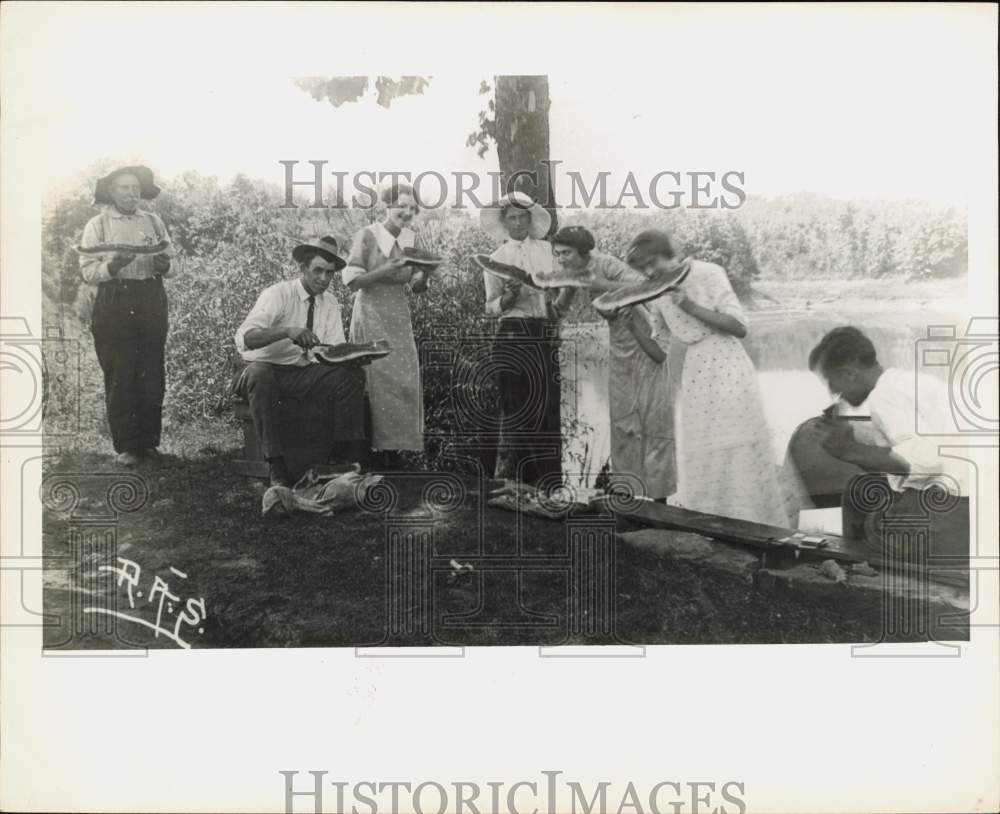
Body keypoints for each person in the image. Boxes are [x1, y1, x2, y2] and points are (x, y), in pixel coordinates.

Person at [625, 229, 789, 527]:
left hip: (729, 367)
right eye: (643, 269)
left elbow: (738, 326)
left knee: (736, 449)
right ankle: (716, 528)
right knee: (706, 454)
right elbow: (660, 352)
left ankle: (753, 527)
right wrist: (633, 328)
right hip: (696, 373)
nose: (649, 272)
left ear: (668, 253)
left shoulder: (709, 272)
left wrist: (690, 306)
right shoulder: (657, 293)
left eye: (653, 263)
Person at [551, 225, 676, 501]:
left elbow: (648, 287)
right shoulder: (572, 273)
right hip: (619, 344)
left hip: (643, 335)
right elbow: (559, 307)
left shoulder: (606, 264)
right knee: (621, 422)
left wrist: (603, 287)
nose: (561, 259)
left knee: (653, 421)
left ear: (583, 253)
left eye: (566, 253)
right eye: (557, 254)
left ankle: (661, 499)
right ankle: (626, 494)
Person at [234, 236, 367, 487]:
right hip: (265, 371)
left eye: (329, 273)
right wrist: (288, 331)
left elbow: (331, 350)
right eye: (318, 270)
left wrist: (353, 357)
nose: (324, 279)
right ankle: (276, 467)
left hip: (303, 373)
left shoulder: (330, 303)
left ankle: (341, 460)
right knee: (259, 374)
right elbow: (246, 338)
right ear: (303, 269)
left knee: (351, 377)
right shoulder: (278, 294)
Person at [79, 165, 175, 467]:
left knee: (151, 371)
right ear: (111, 191)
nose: (131, 193)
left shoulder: (154, 222)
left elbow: (174, 265)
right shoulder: (98, 225)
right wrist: (113, 266)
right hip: (115, 301)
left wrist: (164, 266)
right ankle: (127, 446)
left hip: (151, 299)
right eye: (124, 188)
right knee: (121, 372)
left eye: (135, 187)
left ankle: (149, 443)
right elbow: (88, 272)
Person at [807, 326, 968, 497]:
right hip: (967, 486)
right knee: (859, 490)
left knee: (869, 507)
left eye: (831, 382)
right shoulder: (901, 381)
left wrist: (848, 449)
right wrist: (854, 444)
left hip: (955, 497)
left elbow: (928, 462)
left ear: (849, 374)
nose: (832, 392)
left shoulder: (883, 395)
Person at [479, 192, 572, 486]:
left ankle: (548, 483)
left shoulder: (548, 251)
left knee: (546, 407)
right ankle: (512, 484)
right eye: (512, 218)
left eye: (523, 217)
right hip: (510, 335)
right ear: (504, 222)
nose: (518, 223)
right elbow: (490, 307)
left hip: (542, 332)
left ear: (531, 219)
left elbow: (565, 288)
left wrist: (557, 319)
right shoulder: (496, 259)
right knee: (515, 409)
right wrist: (510, 296)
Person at [343, 184, 427, 469]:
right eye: (402, 205)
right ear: (387, 206)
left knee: (403, 378)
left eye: (412, 208)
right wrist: (382, 271)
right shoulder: (367, 236)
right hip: (371, 311)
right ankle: (372, 451)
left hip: (398, 313)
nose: (407, 212)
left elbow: (415, 285)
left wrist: (423, 277)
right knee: (374, 377)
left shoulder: (411, 238)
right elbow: (351, 281)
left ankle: (396, 449)